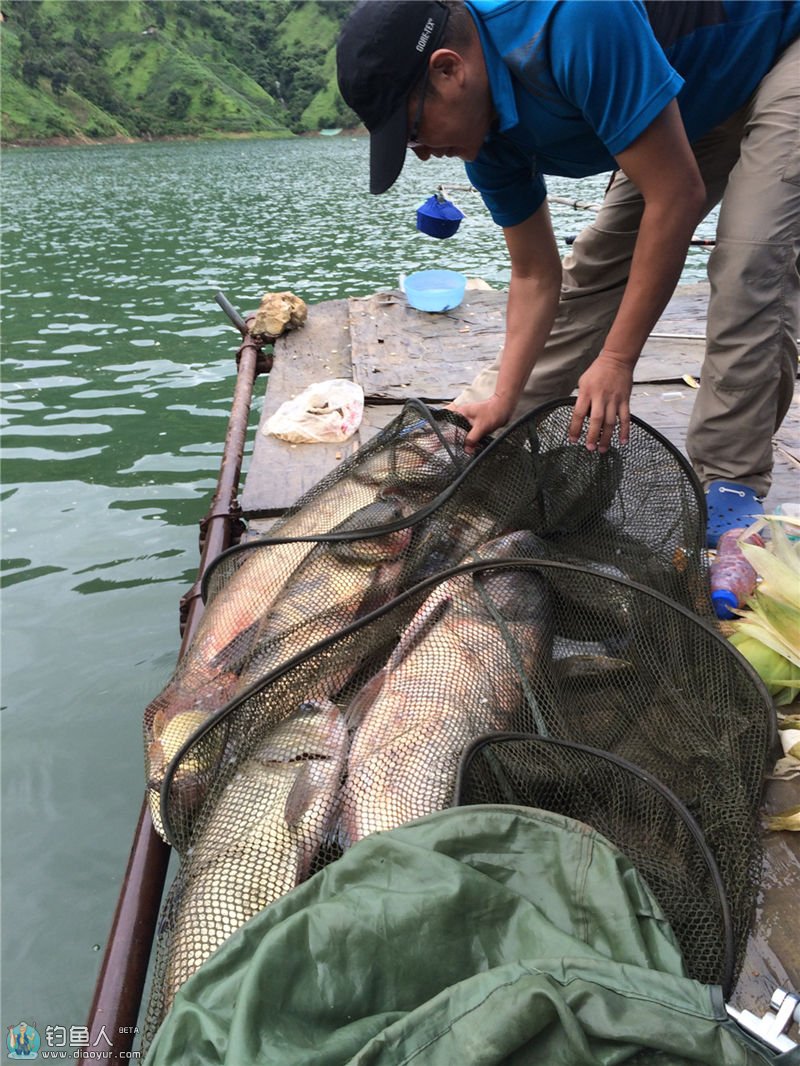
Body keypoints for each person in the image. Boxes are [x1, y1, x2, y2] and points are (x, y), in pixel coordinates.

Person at [337, 0, 800, 546]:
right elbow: (535, 274)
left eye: (413, 130)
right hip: (687, 96)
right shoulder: (482, 138)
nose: (420, 155)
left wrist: (617, 359)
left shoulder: (572, 21)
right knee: (602, 257)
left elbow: (674, 197)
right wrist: (506, 395)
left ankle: (730, 480)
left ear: (449, 69)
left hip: (780, 46)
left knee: (752, 261)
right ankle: (491, 419)